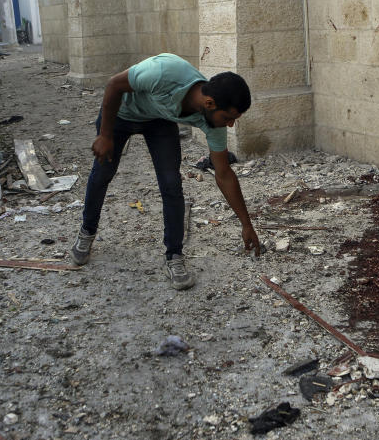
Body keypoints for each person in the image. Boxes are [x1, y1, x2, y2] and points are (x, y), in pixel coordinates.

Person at [70, 53, 261, 290]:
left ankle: (174, 255)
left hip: (159, 119)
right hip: (120, 114)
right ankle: (87, 232)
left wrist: (246, 223)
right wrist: (105, 135)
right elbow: (114, 85)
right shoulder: (162, 72)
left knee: (171, 184)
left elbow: (223, 174)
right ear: (210, 103)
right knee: (102, 173)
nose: (230, 125)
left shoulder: (212, 121)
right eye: (229, 118)